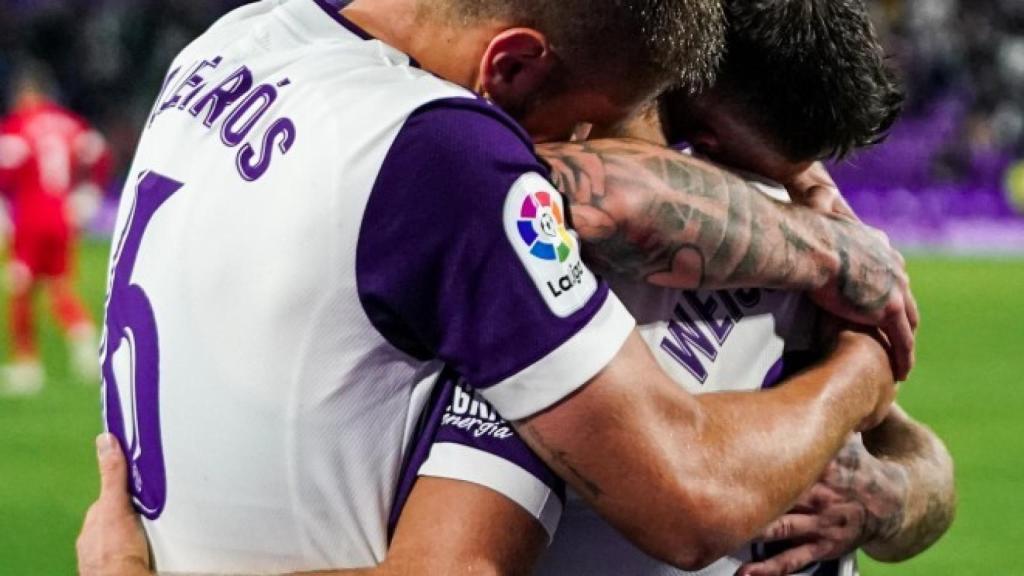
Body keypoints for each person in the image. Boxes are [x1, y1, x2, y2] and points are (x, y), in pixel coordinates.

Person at [80, 0, 914, 574]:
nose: (586, 142)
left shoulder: (241, 36)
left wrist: (898, 493)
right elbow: (689, 499)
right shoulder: (452, 165)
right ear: (512, 65)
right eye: (601, 117)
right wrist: (862, 348)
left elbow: (919, 464)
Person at [0, 61, 109, 396]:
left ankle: (26, 366)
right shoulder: (68, 123)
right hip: (62, 217)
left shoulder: (17, 126)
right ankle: (87, 349)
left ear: (24, 95)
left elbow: (6, 169)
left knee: (21, 291)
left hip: (30, 221)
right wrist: (89, 193)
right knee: (60, 288)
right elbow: (99, 153)